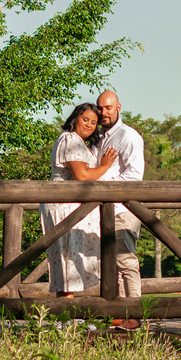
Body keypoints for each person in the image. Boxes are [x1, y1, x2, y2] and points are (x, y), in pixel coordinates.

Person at [39, 103, 118, 297]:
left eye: (94, 122)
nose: (90, 125)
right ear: (75, 118)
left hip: (75, 208)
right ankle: (67, 320)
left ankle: (71, 318)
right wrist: (105, 165)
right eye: (85, 119)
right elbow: (81, 176)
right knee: (68, 262)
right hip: (65, 206)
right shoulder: (70, 138)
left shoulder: (82, 144)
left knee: (73, 263)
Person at [94, 90, 145, 329]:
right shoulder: (100, 137)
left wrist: (101, 186)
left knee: (126, 262)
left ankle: (134, 315)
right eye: (100, 108)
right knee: (111, 265)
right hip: (104, 211)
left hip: (123, 209)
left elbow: (134, 177)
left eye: (108, 107)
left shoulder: (128, 136)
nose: (103, 112)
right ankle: (118, 314)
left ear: (118, 107)